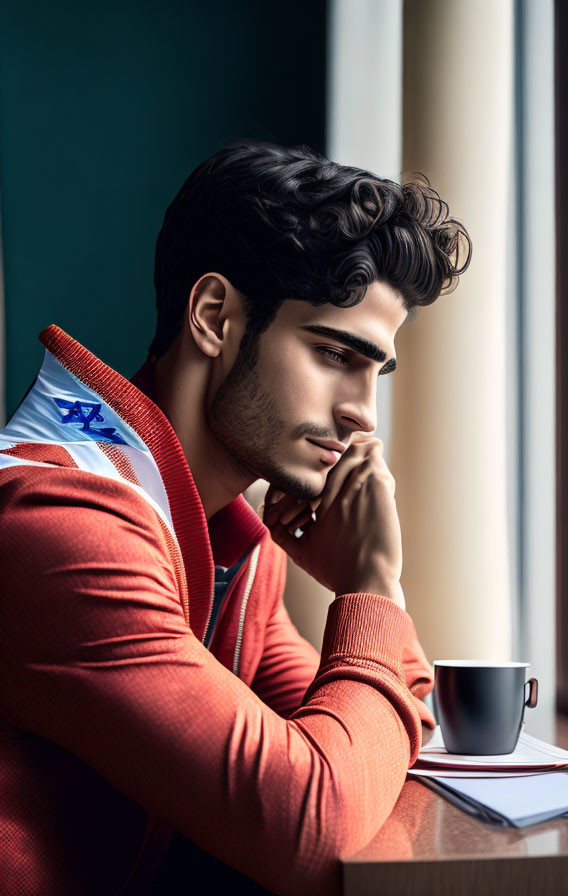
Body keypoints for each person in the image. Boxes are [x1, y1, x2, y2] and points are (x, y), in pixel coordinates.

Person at [0, 140, 471, 895]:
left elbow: (359, 741)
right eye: (332, 354)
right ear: (215, 316)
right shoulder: (62, 524)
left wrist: (372, 618)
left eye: (373, 370)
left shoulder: (231, 540)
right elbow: (306, 820)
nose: (361, 414)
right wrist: (374, 585)